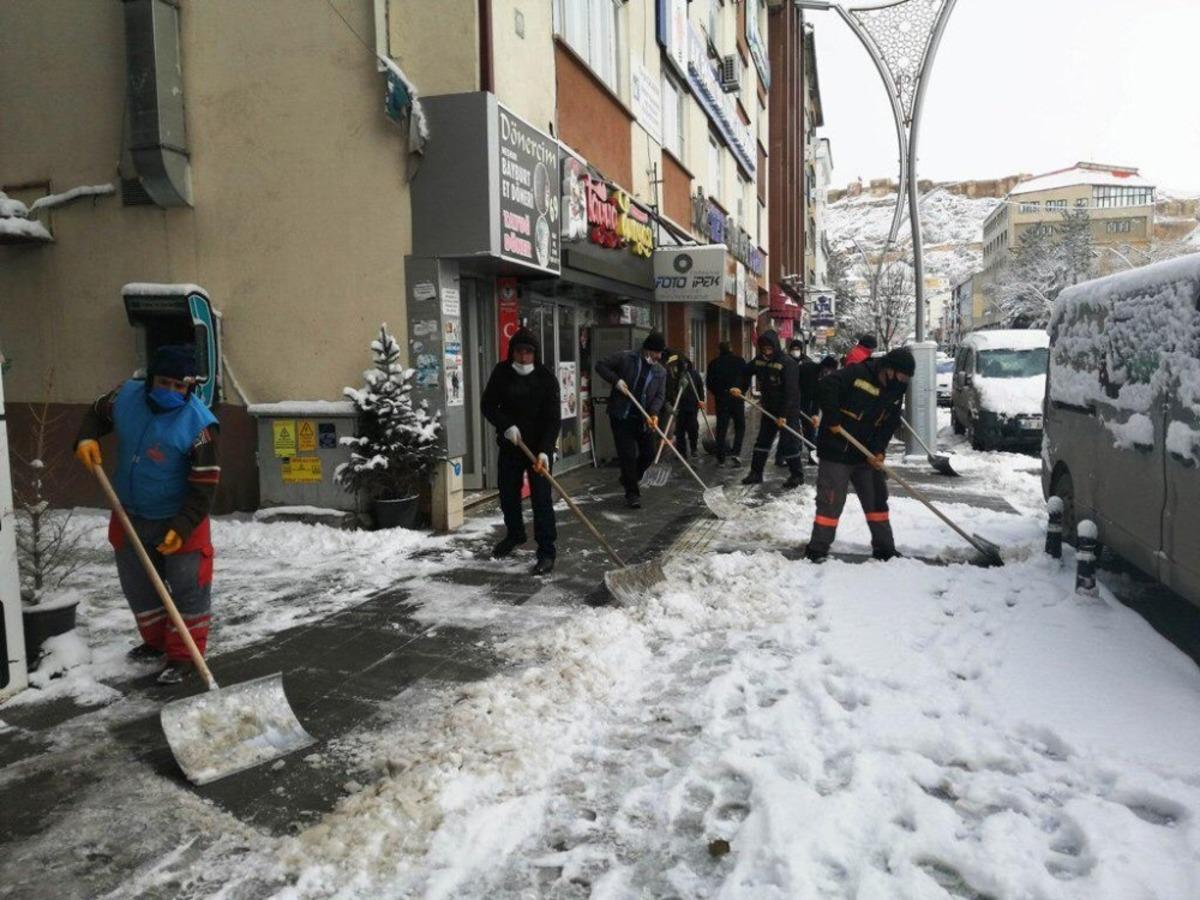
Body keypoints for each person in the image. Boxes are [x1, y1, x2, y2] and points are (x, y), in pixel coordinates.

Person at [73, 345, 220, 685]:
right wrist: (85, 437)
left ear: (190, 388)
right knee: (139, 588)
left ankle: (185, 657)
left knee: (188, 590)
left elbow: (205, 484)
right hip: (130, 514)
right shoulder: (125, 397)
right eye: (164, 382)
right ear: (151, 379)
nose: (170, 391)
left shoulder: (201, 426)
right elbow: (96, 413)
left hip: (181, 518)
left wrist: (182, 526)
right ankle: (156, 644)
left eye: (179, 386)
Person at [805, 346, 915, 563]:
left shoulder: (896, 391)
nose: (902, 381)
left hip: (865, 454)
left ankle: (884, 549)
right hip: (837, 450)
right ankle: (817, 549)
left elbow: (889, 424)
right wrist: (834, 418)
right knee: (831, 500)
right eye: (901, 376)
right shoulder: (858, 373)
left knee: (876, 499)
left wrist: (879, 451)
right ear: (889, 369)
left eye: (906, 379)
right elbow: (826, 386)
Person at [481, 326, 561, 575]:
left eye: (528, 352)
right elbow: (488, 405)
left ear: (535, 354)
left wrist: (546, 451)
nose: (524, 357)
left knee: (541, 500)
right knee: (508, 495)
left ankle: (546, 551)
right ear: (512, 352)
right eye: (519, 352)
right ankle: (515, 534)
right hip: (511, 445)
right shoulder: (502, 373)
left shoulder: (546, 378)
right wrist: (506, 426)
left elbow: (553, 419)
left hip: (539, 450)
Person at [596, 332, 667, 508]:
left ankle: (630, 477)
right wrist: (616, 381)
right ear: (646, 349)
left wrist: (654, 413)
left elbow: (659, 395)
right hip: (622, 416)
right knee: (627, 455)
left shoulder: (660, 371)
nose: (658, 356)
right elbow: (601, 365)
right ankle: (632, 494)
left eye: (660, 353)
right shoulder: (627, 358)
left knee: (648, 454)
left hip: (643, 419)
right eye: (656, 352)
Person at [736, 330, 805, 489]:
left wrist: (783, 415)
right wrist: (739, 387)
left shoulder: (787, 363)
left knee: (789, 443)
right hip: (769, 408)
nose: (767, 351)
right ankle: (756, 473)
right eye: (764, 348)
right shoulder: (759, 360)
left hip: (788, 410)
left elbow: (791, 391)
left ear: (775, 346)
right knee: (763, 441)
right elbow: (745, 373)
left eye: (769, 348)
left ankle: (797, 475)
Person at [706, 341, 749, 466]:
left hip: (722, 400)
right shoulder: (740, 361)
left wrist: (719, 394)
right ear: (731, 348)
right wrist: (741, 391)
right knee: (740, 426)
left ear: (719, 350)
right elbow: (746, 379)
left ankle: (721, 457)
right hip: (737, 399)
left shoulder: (714, 364)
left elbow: (709, 383)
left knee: (721, 428)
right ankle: (736, 453)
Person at [674, 362, 704, 460]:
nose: (685, 366)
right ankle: (681, 452)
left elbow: (700, 388)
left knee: (693, 429)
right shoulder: (677, 375)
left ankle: (693, 449)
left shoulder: (694, 374)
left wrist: (701, 400)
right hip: (680, 407)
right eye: (683, 364)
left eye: (686, 364)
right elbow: (673, 389)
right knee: (680, 431)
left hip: (692, 407)